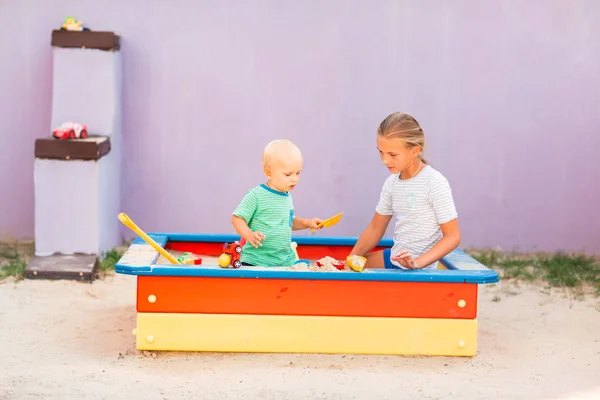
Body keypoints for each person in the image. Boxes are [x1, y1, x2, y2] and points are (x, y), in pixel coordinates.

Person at [349, 112, 460, 270]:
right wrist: (351, 260)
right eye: (381, 152)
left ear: (415, 150)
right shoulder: (392, 183)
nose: (385, 160)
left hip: (420, 268)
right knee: (350, 274)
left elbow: (452, 237)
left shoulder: (434, 182)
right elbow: (375, 227)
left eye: (393, 154)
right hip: (396, 258)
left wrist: (417, 263)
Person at [231, 139, 323, 267]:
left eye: (298, 173)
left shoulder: (286, 196)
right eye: (288, 174)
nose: (294, 179)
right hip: (256, 261)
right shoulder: (256, 195)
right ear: (269, 173)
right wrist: (249, 235)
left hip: (283, 262)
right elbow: (237, 218)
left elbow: (288, 222)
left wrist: (307, 223)